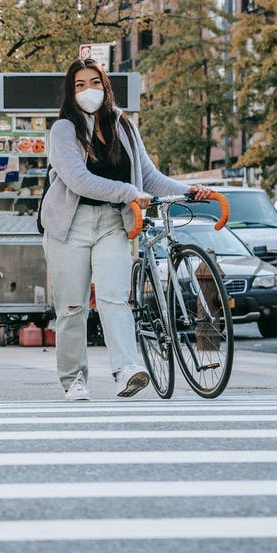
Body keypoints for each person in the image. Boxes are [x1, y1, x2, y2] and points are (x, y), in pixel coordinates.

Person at [40, 58, 213, 401]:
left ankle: (125, 369)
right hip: (69, 226)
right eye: (79, 85)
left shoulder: (126, 127)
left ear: (105, 87)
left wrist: (187, 191)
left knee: (115, 297)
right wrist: (129, 193)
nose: (87, 90)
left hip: (113, 223)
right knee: (72, 307)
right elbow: (78, 180)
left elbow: (148, 177)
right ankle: (74, 380)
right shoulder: (62, 130)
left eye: (94, 82)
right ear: (70, 93)